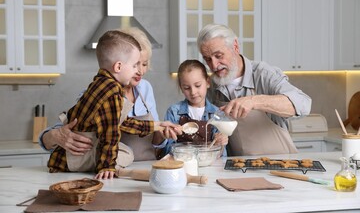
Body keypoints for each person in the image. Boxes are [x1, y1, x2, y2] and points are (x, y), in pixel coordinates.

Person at [47, 30, 181, 180]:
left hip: (138, 167)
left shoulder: (103, 83)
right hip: (90, 164)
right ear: (118, 66)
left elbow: (121, 123)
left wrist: (158, 127)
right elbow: (109, 134)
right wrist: (106, 166)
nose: (140, 70)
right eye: (135, 65)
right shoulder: (112, 93)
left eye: (144, 64)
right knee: (127, 154)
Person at [197, 24, 312, 156]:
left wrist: (254, 101)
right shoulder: (211, 85)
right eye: (207, 59)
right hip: (238, 168)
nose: (214, 65)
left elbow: (303, 104)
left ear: (235, 46)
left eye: (218, 56)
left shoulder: (263, 74)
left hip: (281, 164)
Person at [162, 59, 228, 156]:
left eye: (198, 85)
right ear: (181, 88)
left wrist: (220, 144)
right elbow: (166, 150)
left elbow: (222, 155)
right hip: (183, 166)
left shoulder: (216, 113)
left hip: (209, 167)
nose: (193, 92)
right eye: (187, 88)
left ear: (208, 82)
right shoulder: (173, 112)